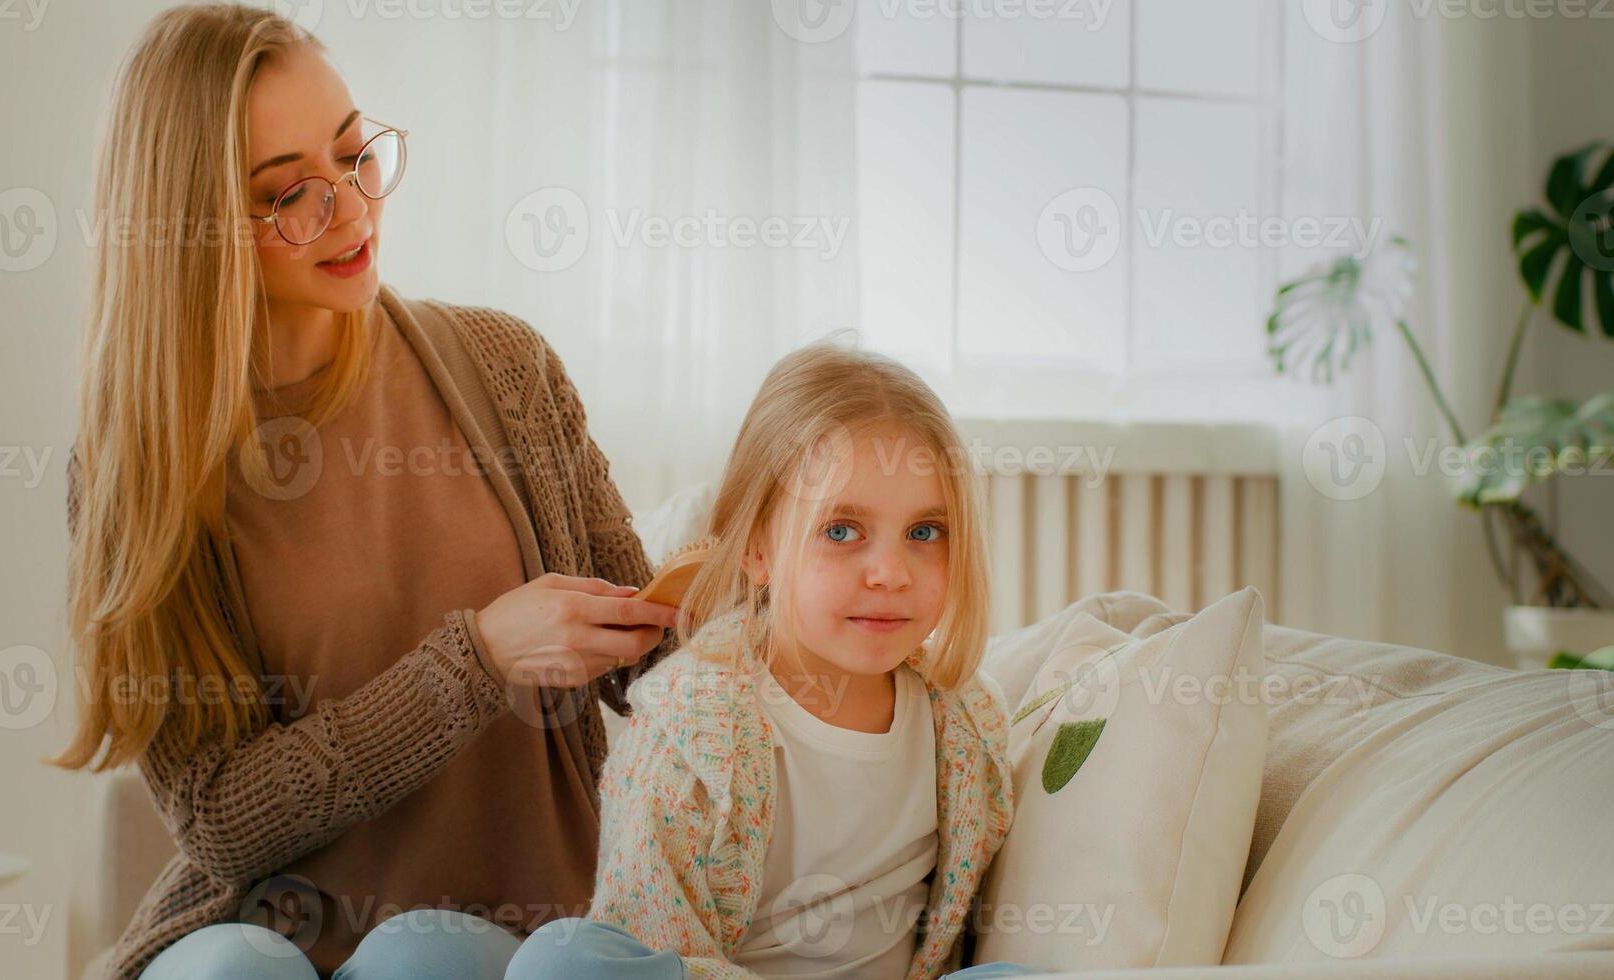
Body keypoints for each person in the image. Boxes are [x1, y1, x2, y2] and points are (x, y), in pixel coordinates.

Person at [55, 5, 675, 978]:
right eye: (288, 192)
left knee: (418, 960)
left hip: (526, 933)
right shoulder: (139, 470)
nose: (349, 207)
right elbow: (219, 817)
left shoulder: (503, 367)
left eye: (355, 155)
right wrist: (478, 658)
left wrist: (777, 562)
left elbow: (651, 664)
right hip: (270, 935)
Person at [506, 344, 1037, 978]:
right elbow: (650, 945)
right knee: (567, 961)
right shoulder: (689, 730)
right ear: (758, 549)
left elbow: (958, 932)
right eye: (842, 531)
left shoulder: (967, 722)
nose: (892, 574)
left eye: (925, 533)